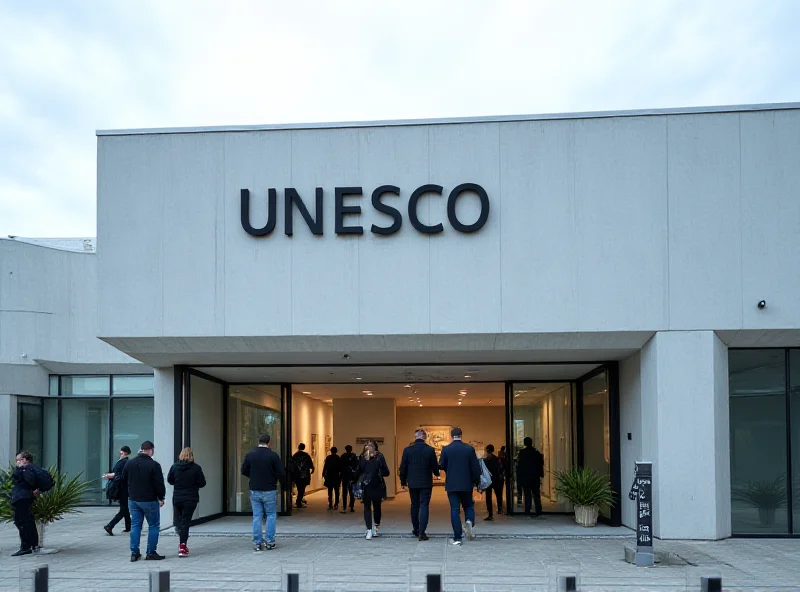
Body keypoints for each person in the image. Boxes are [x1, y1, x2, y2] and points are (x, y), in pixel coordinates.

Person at [242, 433, 287, 551]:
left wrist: (253, 477)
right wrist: (284, 485)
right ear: (269, 442)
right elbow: (281, 472)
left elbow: (244, 470)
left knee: (257, 516)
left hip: (255, 488)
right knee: (271, 515)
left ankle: (257, 542)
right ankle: (270, 541)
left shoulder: (250, 454)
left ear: (258, 441)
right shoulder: (273, 455)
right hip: (269, 489)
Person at [123, 440, 166, 561]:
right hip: (150, 500)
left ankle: (134, 552)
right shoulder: (154, 465)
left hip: (133, 499)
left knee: (136, 525)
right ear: (151, 450)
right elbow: (159, 484)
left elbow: (123, 479)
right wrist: (161, 497)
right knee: (153, 525)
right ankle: (151, 552)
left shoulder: (130, 463)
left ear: (141, 450)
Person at [439, 427, 481, 546]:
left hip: (452, 484)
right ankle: (469, 521)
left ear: (451, 436)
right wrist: (477, 482)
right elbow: (475, 468)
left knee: (455, 510)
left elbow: (441, 465)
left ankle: (457, 537)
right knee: (469, 506)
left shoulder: (446, 449)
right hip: (466, 483)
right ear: (461, 435)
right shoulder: (469, 449)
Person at [399, 429, 440, 541]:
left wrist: (403, 481)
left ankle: (416, 529)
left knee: (414, 505)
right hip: (426, 482)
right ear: (425, 437)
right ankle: (422, 532)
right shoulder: (430, 450)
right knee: (424, 506)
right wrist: (437, 473)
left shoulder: (407, 450)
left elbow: (403, 467)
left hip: (412, 482)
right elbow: (435, 466)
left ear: (415, 436)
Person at [167, 447, 207, 557]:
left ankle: (179, 531)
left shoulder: (174, 467)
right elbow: (202, 483)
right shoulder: (196, 468)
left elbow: (170, 480)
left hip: (178, 497)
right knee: (186, 522)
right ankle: (182, 545)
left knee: (180, 520)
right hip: (191, 498)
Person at [354, 442, 390, 540]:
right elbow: (386, 472)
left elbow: (357, 472)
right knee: (377, 506)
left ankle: (369, 530)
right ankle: (376, 527)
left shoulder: (362, 457)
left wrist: (354, 480)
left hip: (365, 485)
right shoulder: (380, 457)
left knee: (367, 507)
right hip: (377, 485)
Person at [10, 451, 41, 556]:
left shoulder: (26, 469)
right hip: (24, 497)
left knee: (21, 522)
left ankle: (26, 546)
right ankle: (33, 545)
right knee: (28, 521)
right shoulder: (29, 469)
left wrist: (21, 469)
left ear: (25, 460)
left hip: (22, 498)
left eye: (19, 460)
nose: (17, 462)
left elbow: (29, 481)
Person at [104, 445, 132, 535]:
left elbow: (120, 476)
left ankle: (110, 525)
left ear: (125, 453)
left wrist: (111, 476)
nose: (120, 453)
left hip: (122, 488)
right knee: (125, 507)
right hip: (121, 488)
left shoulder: (124, 462)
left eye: (122, 452)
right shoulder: (122, 462)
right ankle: (128, 527)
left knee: (124, 509)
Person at [516, 437, 545, 517]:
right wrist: (540, 475)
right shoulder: (536, 453)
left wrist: (519, 477)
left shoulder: (522, 453)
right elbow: (540, 464)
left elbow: (519, 465)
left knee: (527, 494)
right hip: (535, 477)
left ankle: (527, 510)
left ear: (525, 443)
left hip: (526, 477)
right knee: (536, 494)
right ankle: (538, 510)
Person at [482, 444, 504, 520]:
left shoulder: (485, 460)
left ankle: (490, 514)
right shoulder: (497, 459)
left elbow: (483, 471)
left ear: (487, 450)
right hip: (497, 480)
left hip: (489, 480)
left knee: (488, 497)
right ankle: (500, 509)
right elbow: (500, 469)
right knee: (498, 495)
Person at [290, 443, 314, 508]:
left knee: (299, 487)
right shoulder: (306, 455)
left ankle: (299, 501)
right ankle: (298, 501)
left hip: (297, 475)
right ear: (304, 448)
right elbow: (311, 464)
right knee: (302, 488)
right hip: (305, 475)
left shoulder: (295, 456)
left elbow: (292, 465)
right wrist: (312, 469)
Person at [339, 444, 359, 513]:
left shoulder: (343, 456)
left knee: (344, 492)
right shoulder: (354, 456)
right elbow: (356, 466)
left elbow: (340, 466)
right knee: (352, 492)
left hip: (345, 476)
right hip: (352, 476)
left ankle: (344, 506)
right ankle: (351, 506)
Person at [322, 446, 342, 510]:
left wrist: (323, 474)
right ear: (336, 451)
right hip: (336, 476)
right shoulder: (338, 458)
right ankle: (336, 504)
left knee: (330, 491)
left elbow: (325, 467)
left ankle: (330, 504)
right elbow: (340, 468)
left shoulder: (328, 458)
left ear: (331, 451)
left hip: (329, 476)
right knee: (336, 491)